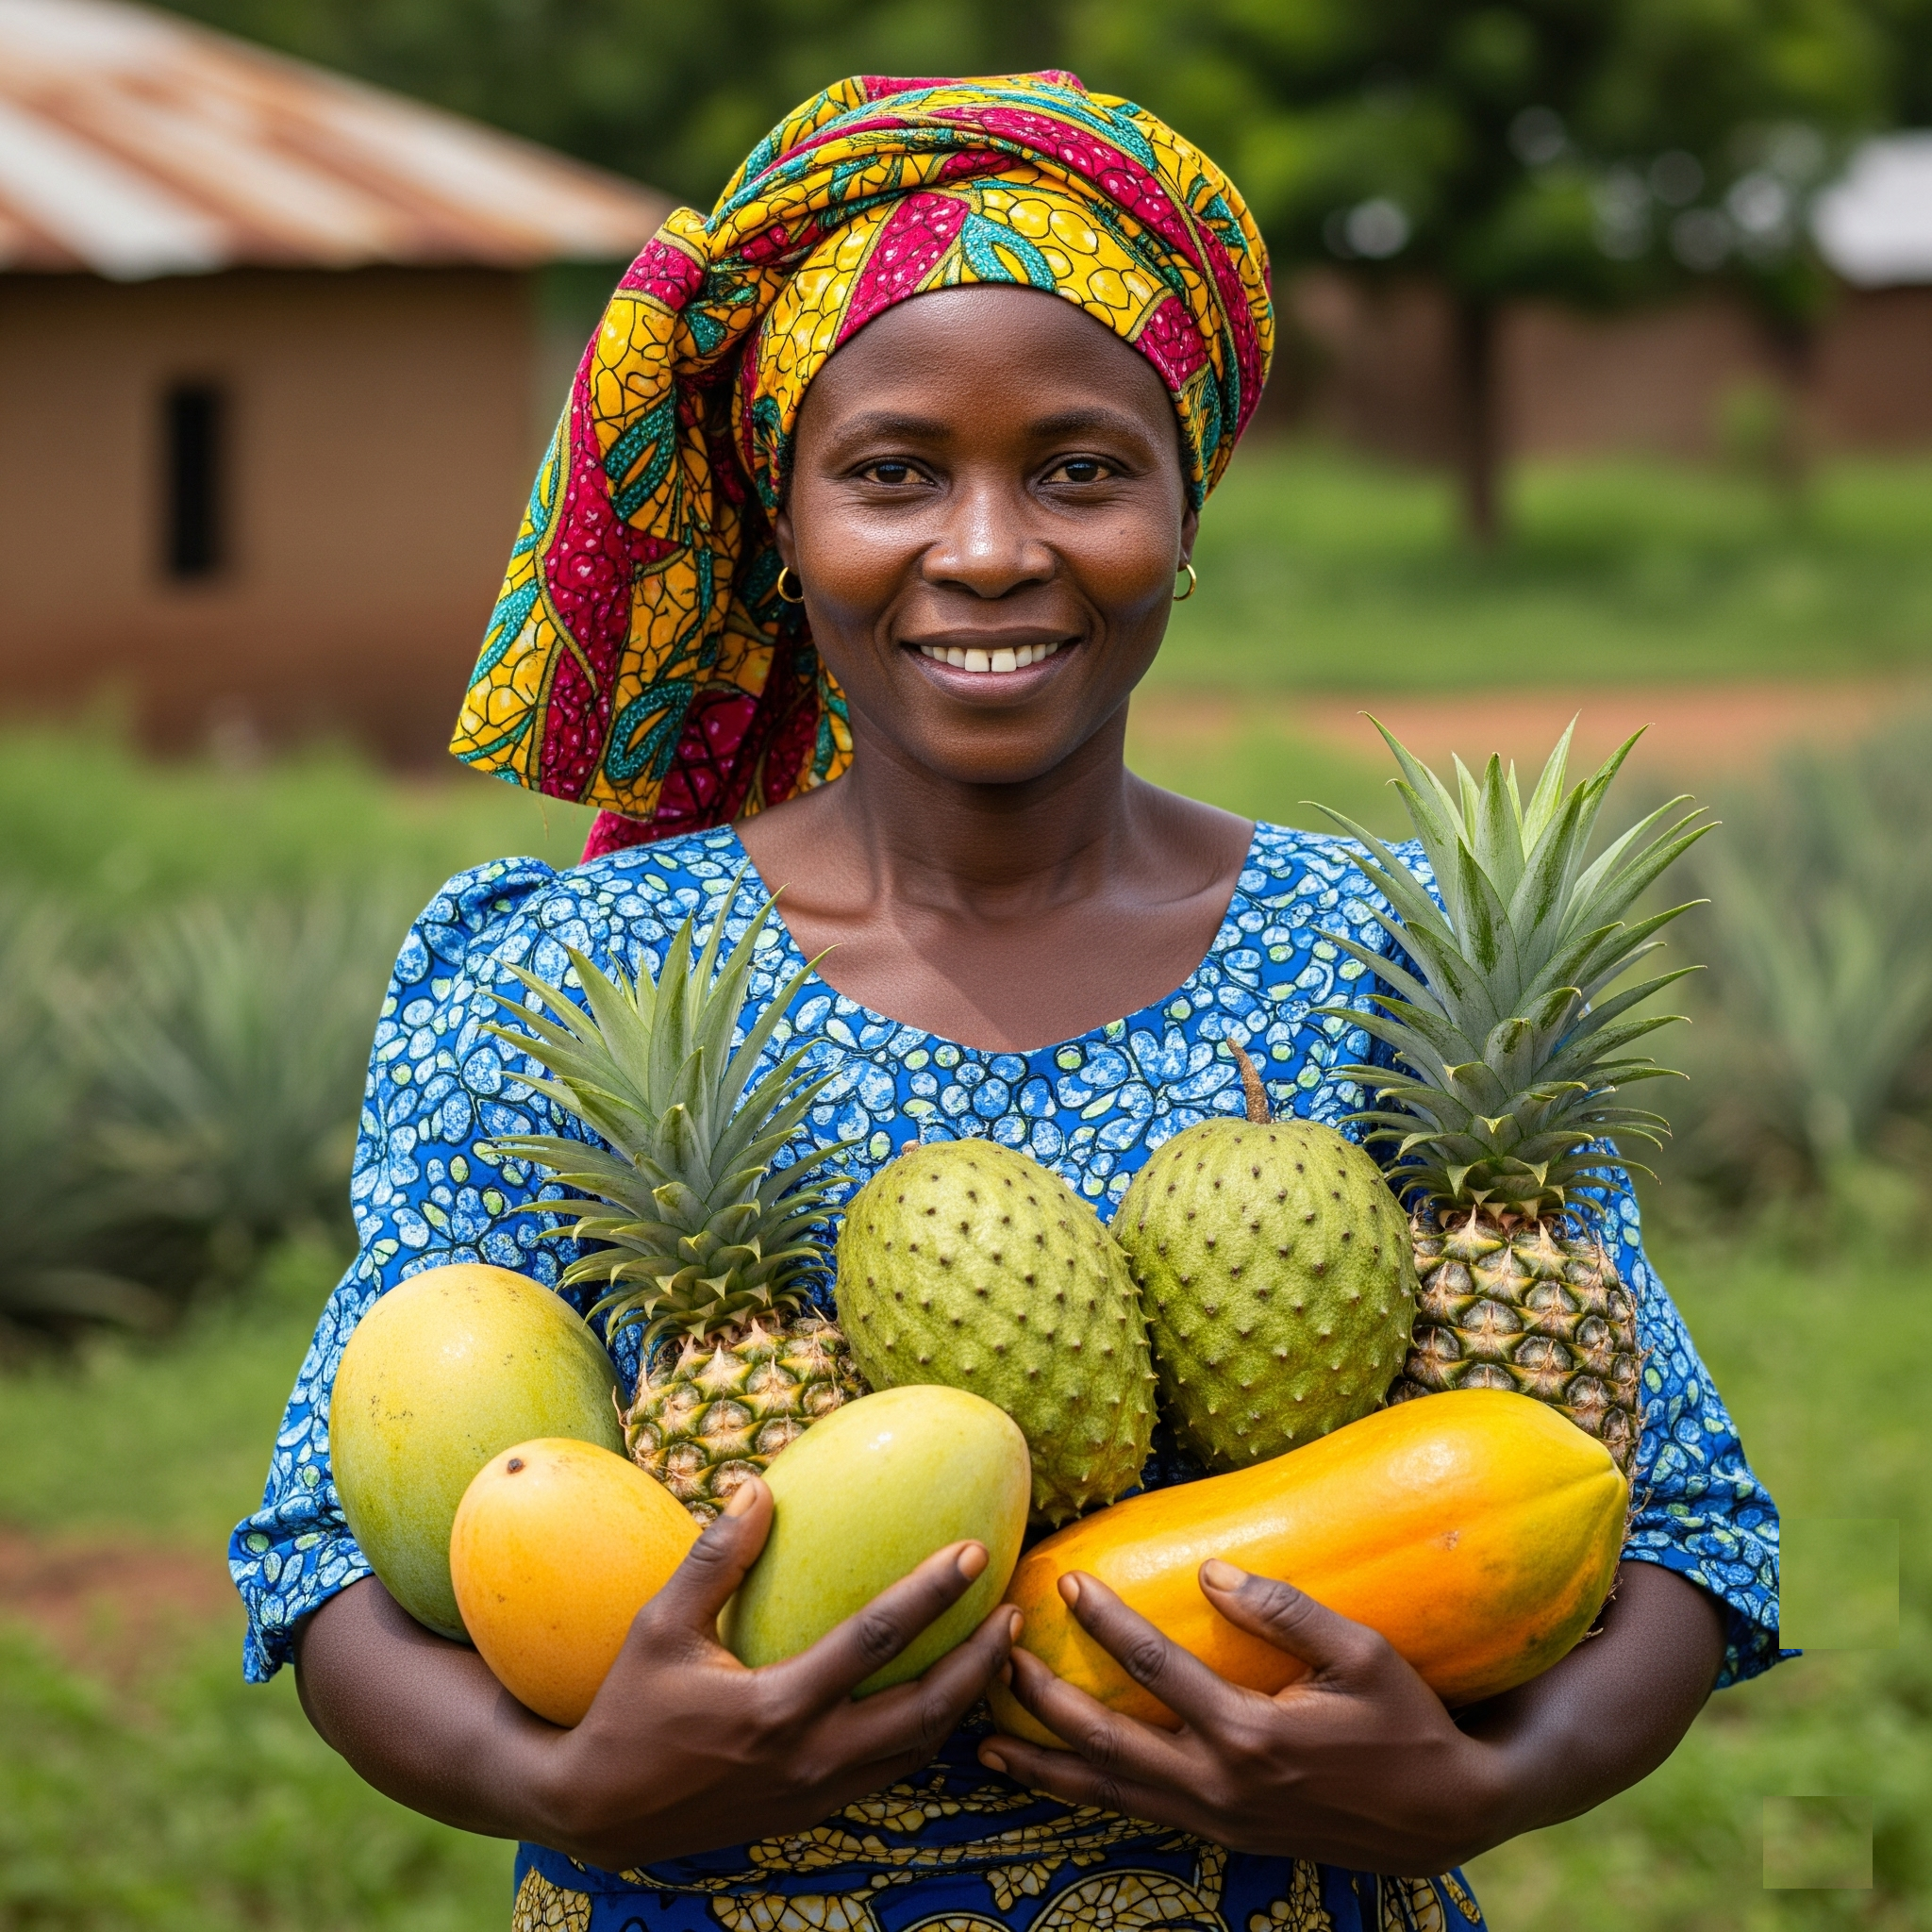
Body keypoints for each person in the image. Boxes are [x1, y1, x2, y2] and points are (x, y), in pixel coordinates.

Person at [231, 72, 1781, 1932]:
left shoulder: (1378, 956)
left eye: (1079, 466)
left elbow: (1678, 1523)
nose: (986, 549)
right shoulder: (560, 976)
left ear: (1184, 505)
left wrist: (1489, 1780)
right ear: (779, 520)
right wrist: (563, 1777)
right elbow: (332, 1556)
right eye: (892, 471)